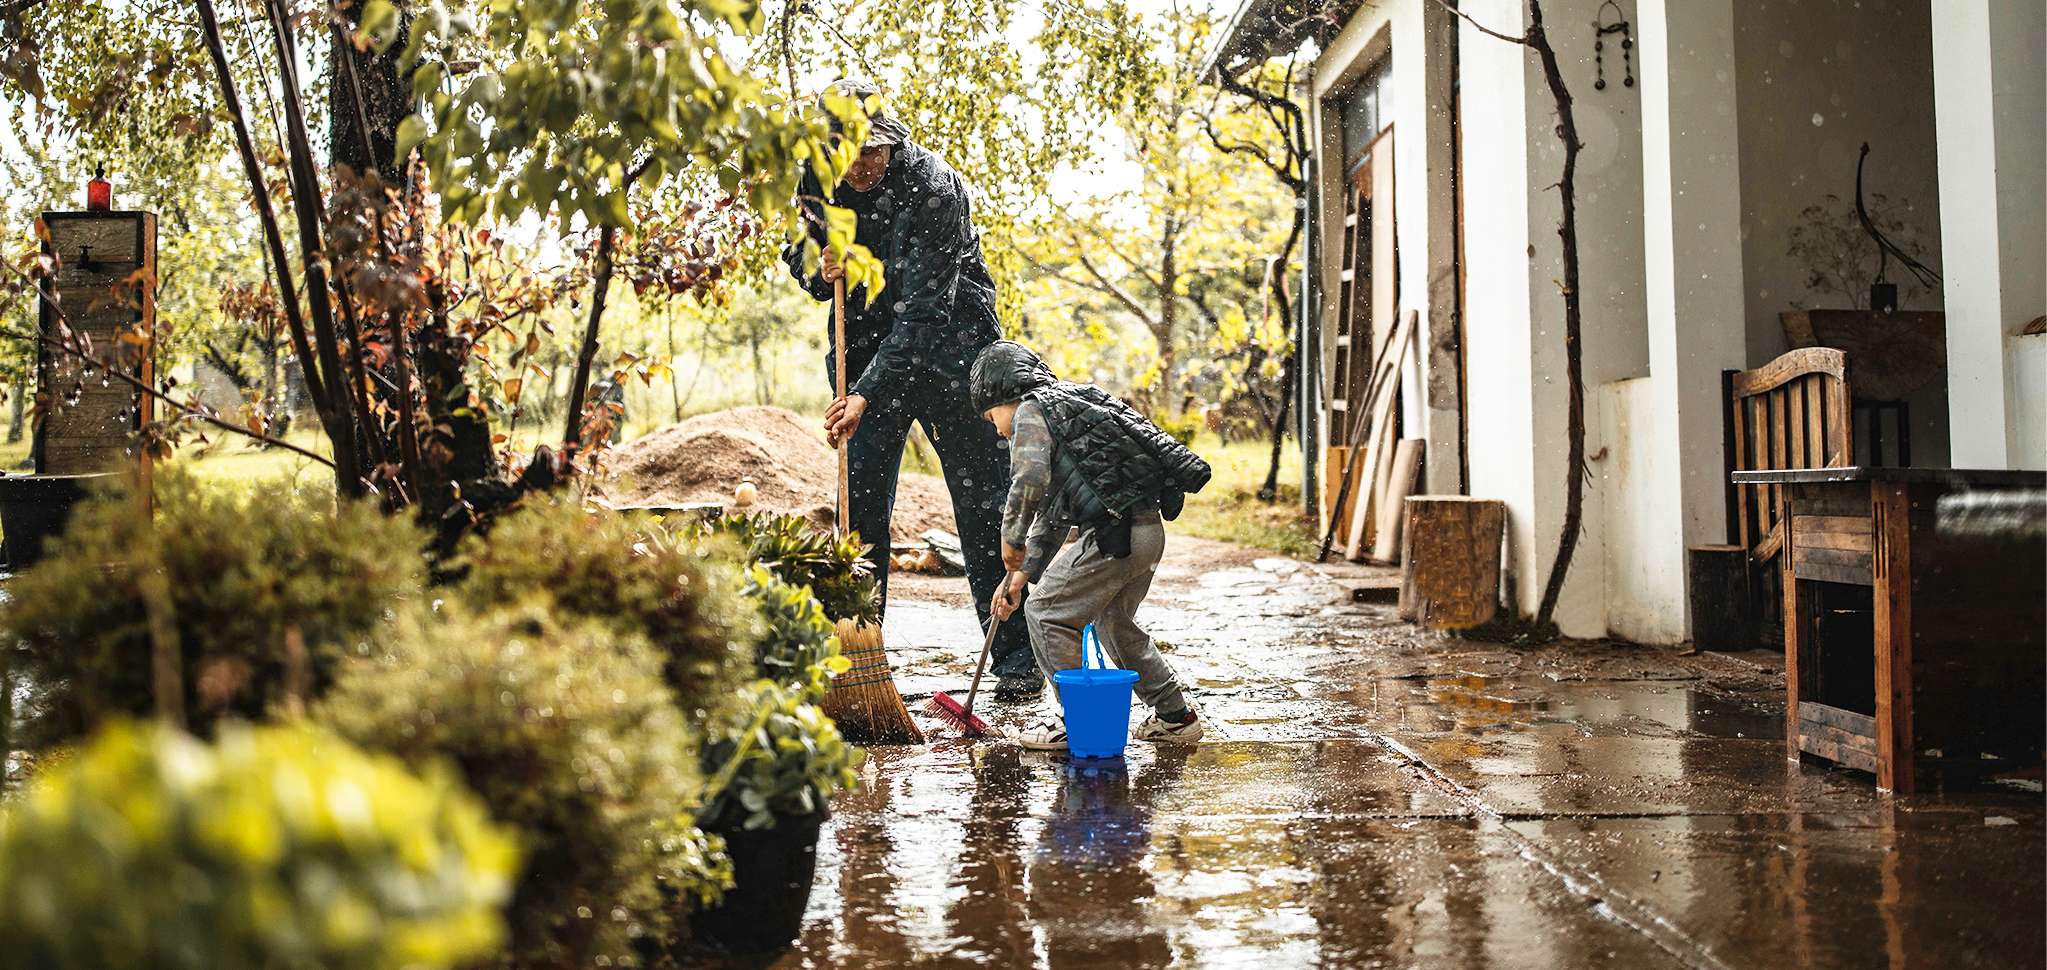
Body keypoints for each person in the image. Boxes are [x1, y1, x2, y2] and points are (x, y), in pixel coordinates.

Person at [783, 79, 1040, 699]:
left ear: (891, 141)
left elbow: (924, 314)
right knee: (860, 512)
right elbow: (800, 257)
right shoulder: (815, 179)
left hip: (953, 353)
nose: (862, 167)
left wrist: (867, 393)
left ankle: (1014, 659)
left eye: (873, 151)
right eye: (849, 154)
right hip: (864, 351)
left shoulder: (934, 189)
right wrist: (817, 266)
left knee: (983, 505)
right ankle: (858, 661)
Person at [972, 340, 1212, 750]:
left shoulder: (1030, 410)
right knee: (1114, 624)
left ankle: (1077, 720)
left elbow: (1028, 479)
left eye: (992, 416)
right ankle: (1176, 716)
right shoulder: (1067, 411)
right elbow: (1053, 516)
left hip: (1112, 536)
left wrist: (1010, 538)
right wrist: (1019, 577)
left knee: (1045, 612)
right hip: (1145, 533)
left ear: (1004, 394)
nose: (996, 429)